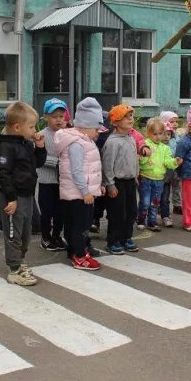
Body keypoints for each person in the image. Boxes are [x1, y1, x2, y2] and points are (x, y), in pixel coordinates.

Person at [0, 101, 46, 286]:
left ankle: (21, 261)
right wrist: (10, 198)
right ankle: (14, 270)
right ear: (17, 127)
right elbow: (3, 174)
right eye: (31, 126)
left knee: (26, 232)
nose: (34, 130)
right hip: (13, 197)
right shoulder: (6, 146)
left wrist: (40, 147)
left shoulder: (26, 143)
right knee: (13, 233)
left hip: (27, 195)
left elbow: (37, 164)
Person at [54, 97, 107, 270]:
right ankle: (80, 255)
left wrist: (97, 186)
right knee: (81, 226)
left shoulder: (84, 141)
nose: (98, 133)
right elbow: (76, 171)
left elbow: (91, 169)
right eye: (96, 129)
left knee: (73, 224)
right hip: (80, 195)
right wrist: (86, 191)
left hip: (78, 193)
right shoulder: (77, 144)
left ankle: (73, 250)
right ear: (85, 127)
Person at [102, 104, 140, 255]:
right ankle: (114, 240)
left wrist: (135, 175)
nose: (130, 119)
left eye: (131, 116)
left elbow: (134, 160)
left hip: (130, 180)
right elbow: (107, 165)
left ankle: (126, 237)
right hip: (117, 182)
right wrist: (110, 184)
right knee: (117, 213)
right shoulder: (112, 142)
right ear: (116, 122)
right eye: (126, 117)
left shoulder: (130, 138)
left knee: (131, 211)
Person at [137, 117, 181, 231]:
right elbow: (141, 161)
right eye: (154, 134)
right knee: (145, 201)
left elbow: (167, 162)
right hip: (146, 178)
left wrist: (174, 162)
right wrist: (143, 158)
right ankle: (141, 219)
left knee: (155, 202)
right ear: (148, 133)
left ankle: (152, 221)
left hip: (159, 180)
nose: (158, 136)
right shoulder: (146, 144)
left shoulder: (165, 148)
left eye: (160, 133)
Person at [37, 98, 68, 251]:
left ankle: (57, 236)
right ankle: (45, 237)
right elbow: (38, 157)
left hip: (62, 181)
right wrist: (57, 162)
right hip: (46, 181)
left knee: (60, 212)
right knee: (47, 211)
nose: (58, 120)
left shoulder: (67, 135)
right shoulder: (40, 136)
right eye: (54, 116)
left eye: (61, 116)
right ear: (46, 117)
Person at [158, 111, 181, 228]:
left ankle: (166, 215)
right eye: (172, 121)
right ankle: (146, 214)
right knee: (156, 197)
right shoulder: (157, 144)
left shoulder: (176, 138)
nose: (175, 124)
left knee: (167, 196)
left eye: (176, 121)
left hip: (172, 172)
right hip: (158, 175)